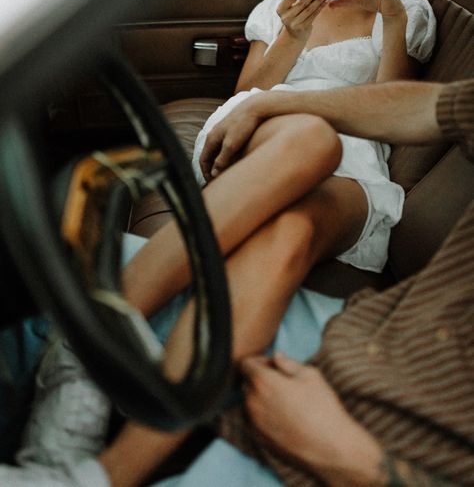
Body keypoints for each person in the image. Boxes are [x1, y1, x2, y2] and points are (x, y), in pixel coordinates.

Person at [1, 77, 473, 487]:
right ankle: (75, 379)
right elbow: (425, 107)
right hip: (364, 332)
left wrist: (353, 462)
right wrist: (272, 98)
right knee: (48, 282)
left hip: (378, 448)